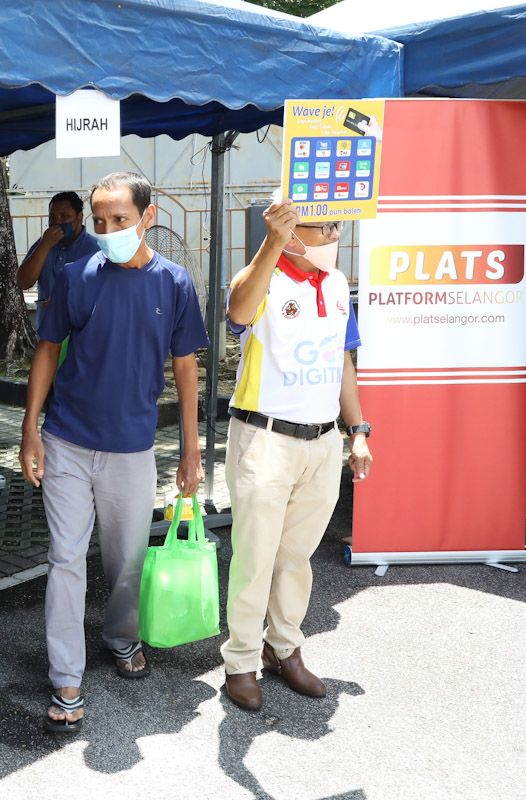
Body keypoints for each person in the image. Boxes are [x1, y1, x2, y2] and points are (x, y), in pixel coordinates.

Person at [19, 171, 208, 733]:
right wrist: (30, 428)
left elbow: (186, 368)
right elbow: (47, 350)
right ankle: (66, 676)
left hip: (132, 448)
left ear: (147, 217)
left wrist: (192, 449)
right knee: (65, 558)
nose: (108, 231)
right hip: (67, 441)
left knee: (125, 560)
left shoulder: (174, 282)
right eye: (99, 222)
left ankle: (121, 638)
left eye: (119, 220)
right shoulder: (76, 277)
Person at [220, 199, 374, 711]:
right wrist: (271, 242)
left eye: (335, 225)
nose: (332, 234)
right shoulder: (263, 276)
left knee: (296, 557)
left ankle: (283, 647)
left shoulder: (336, 284)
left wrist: (358, 430)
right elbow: (238, 312)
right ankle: (240, 661)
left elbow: (343, 361)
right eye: (321, 226)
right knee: (255, 557)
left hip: (322, 441)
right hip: (265, 438)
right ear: (291, 232)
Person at [16, 191, 100, 332]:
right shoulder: (42, 245)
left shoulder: (95, 250)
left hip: (82, 335)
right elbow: (23, 282)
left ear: (80, 217)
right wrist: (44, 246)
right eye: (52, 218)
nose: (57, 222)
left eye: (65, 217)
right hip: (47, 333)